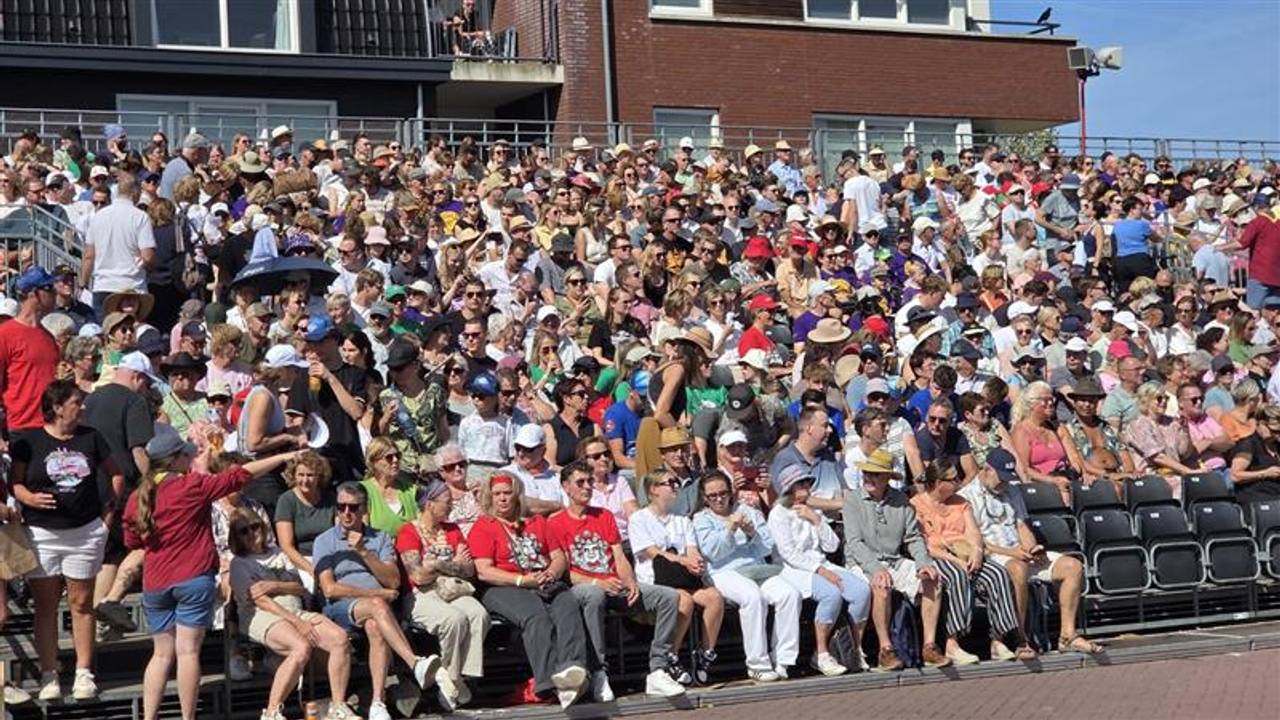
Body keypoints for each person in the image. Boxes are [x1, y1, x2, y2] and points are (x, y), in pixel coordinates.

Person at [123, 425, 302, 720]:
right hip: (193, 579)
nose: (188, 461)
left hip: (156, 583)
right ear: (175, 459)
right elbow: (241, 475)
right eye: (185, 456)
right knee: (189, 653)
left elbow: (132, 541)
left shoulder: (136, 498)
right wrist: (287, 455)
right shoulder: (191, 486)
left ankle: (149, 717)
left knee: (161, 655)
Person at [10, 379, 124, 701]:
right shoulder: (28, 441)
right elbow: (14, 484)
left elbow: (116, 475)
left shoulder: (91, 437)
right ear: (58, 407)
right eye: (77, 402)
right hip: (42, 533)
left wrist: (108, 516)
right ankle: (49, 674)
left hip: (86, 530)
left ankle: (84, 672)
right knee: (45, 606)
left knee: (81, 603)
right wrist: (29, 499)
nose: (83, 406)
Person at [548, 462, 687, 699]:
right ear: (566, 487)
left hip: (616, 584)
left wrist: (631, 581)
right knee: (594, 595)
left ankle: (658, 669)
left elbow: (619, 556)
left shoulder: (604, 515)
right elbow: (564, 571)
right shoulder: (554, 522)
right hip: (583, 588)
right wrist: (596, 582)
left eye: (590, 482)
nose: (587, 487)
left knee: (669, 597)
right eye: (580, 482)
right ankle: (598, 671)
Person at [311, 482, 443, 720]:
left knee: (375, 626)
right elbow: (330, 589)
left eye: (353, 507)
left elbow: (393, 581)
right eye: (341, 507)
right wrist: (377, 595)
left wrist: (363, 551)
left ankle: (377, 703)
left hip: (375, 612)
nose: (346, 513)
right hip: (341, 606)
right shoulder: (325, 541)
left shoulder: (379, 538)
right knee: (378, 606)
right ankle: (414, 662)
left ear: (364, 509)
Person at [958, 449, 1101, 655]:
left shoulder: (1012, 491)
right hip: (993, 555)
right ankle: (1020, 638)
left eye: (1008, 479)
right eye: (1002, 479)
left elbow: (1022, 526)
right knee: (1018, 569)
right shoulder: (966, 497)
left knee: (1073, 566)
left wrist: (1033, 548)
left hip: (1019, 553)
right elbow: (976, 544)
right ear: (987, 470)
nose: (1005, 484)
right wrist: (1013, 553)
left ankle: (1067, 635)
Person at [466, 473, 591, 708]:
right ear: (490, 497)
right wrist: (522, 580)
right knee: (536, 615)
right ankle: (548, 683)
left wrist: (551, 573)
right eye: (497, 494)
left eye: (507, 493)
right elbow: (483, 571)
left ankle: (572, 671)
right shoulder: (484, 527)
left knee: (567, 603)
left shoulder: (537, 523)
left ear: (516, 495)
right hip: (502, 586)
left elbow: (558, 557)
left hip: (542, 580)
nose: (502, 498)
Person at [227, 509, 357, 720]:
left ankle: (338, 705)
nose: (251, 533)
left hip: (295, 611)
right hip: (261, 616)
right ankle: (271, 712)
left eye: (255, 526)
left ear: (263, 527)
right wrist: (295, 620)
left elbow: (298, 587)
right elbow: (261, 600)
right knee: (300, 647)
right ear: (236, 536)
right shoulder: (239, 564)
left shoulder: (278, 553)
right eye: (243, 530)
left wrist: (273, 584)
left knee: (340, 639)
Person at [911, 461, 1035, 664]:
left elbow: (973, 533)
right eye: (953, 479)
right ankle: (953, 643)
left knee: (997, 574)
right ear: (937, 482)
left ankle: (998, 639)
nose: (958, 482)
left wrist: (977, 553)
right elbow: (923, 543)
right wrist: (954, 559)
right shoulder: (917, 504)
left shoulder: (960, 502)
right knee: (957, 576)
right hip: (938, 555)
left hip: (966, 553)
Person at [840, 449, 950, 670]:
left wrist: (924, 563)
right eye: (867, 473)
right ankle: (885, 649)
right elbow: (854, 542)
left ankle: (929, 646)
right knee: (881, 584)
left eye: (876, 474)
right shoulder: (852, 500)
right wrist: (875, 568)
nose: (869, 478)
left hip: (894, 559)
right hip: (861, 563)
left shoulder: (901, 501)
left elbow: (913, 537)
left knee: (933, 579)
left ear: (888, 478)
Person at [692, 470, 800, 681]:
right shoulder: (700, 519)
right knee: (752, 597)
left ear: (730, 492)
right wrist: (730, 529)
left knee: (790, 594)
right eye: (712, 496)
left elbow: (767, 548)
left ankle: (783, 659)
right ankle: (757, 663)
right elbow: (712, 553)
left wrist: (752, 533)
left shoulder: (748, 511)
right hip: (724, 572)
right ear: (705, 498)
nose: (719, 499)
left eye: (722, 493)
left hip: (756, 568)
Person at [395, 480, 489, 711]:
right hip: (421, 594)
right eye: (446, 503)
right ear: (429, 504)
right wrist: (451, 562)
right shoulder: (409, 531)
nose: (450, 507)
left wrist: (435, 564)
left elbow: (468, 569)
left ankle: (454, 679)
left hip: (454, 588)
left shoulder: (452, 529)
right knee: (453, 619)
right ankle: (454, 684)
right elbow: (417, 575)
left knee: (478, 614)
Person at [770, 465, 872, 675]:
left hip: (821, 563)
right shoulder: (778, 515)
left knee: (861, 591)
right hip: (793, 570)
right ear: (790, 488)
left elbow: (832, 545)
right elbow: (789, 554)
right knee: (830, 594)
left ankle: (855, 648)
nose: (807, 487)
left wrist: (816, 520)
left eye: (808, 483)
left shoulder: (812, 510)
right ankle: (822, 653)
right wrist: (819, 570)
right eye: (802, 484)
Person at [629, 469, 725, 685]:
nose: (675, 486)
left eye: (676, 483)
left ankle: (706, 653)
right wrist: (683, 561)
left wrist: (695, 560)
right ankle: (671, 655)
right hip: (655, 580)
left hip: (683, 578)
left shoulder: (682, 521)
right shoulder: (639, 519)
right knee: (684, 600)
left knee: (714, 598)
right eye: (669, 482)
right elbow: (652, 552)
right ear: (653, 489)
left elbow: (692, 549)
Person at [82, 173, 155, 319]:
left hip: (103, 285)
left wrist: (83, 282)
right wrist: (148, 268)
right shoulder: (140, 216)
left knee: (104, 335)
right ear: (136, 193)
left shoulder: (98, 217)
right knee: (130, 335)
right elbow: (148, 256)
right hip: (131, 286)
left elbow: (89, 255)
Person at [0, 267, 60, 434]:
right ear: (34, 294)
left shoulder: (48, 336)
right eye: (50, 289)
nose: (56, 293)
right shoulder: (5, 334)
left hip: (50, 427)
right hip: (20, 427)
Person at [272, 451, 335, 590]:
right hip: (302, 559)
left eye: (310, 475)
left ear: (319, 476)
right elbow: (286, 546)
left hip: (330, 557)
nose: (305, 480)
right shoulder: (287, 500)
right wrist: (311, 569)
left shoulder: (330, 499)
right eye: (301, 475)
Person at [360, 436, 418, 537]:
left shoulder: (410, 489)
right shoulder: (363, 491)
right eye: (389, 457)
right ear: (374, 462)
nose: (395, 460)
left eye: (397, 456)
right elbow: (362, 532)